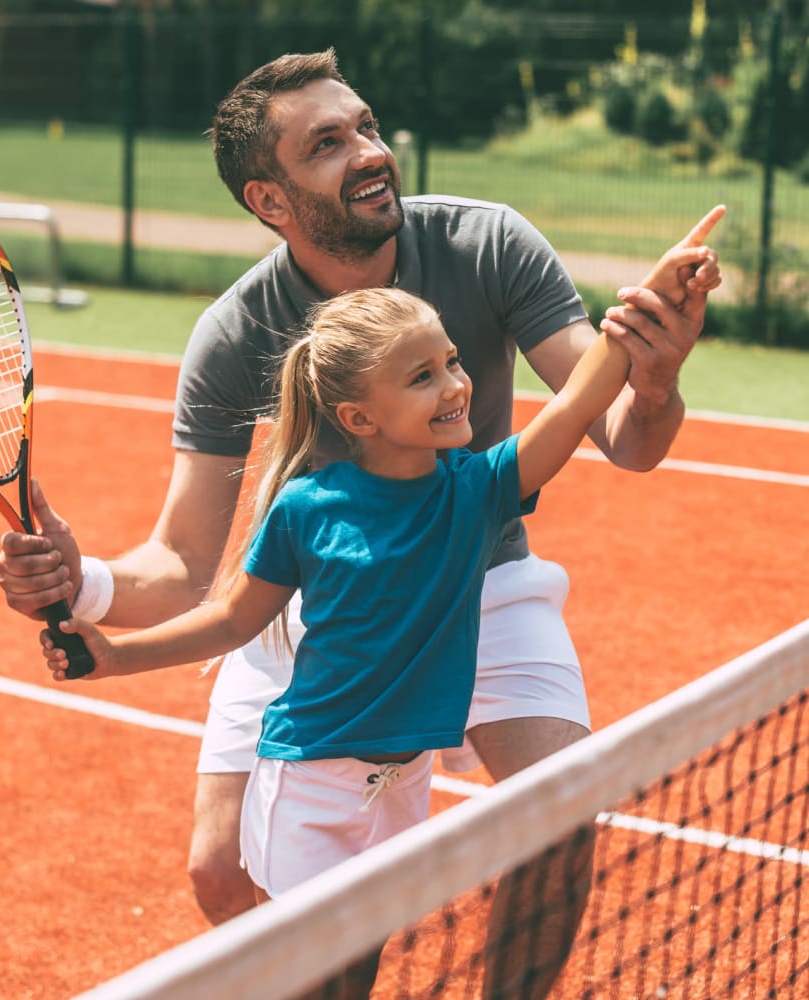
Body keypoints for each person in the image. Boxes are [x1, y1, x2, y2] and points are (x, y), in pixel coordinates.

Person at [0, 49, 723, 999]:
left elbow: (625, 434)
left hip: (480, 572)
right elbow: (186, 564)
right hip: (310, 596)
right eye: (328, 144)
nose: (369, 152)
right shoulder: (235, 332)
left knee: (559, 811)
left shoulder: (488, 244)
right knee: (222, 877)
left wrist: (656, 373)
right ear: (270, 198)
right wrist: (80, 584)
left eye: (367, 127)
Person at [43, 275, 711, 999]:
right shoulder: (306, 508)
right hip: (309, 791)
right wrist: (113, 656)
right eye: (422, 376)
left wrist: (637, 319)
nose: (456, 385)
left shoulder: (479, 488)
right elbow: (234, 618)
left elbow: (578, 403)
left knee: (360, 969)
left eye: (451, 361)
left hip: (401, 786)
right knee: (316, 982)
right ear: (359, 417)